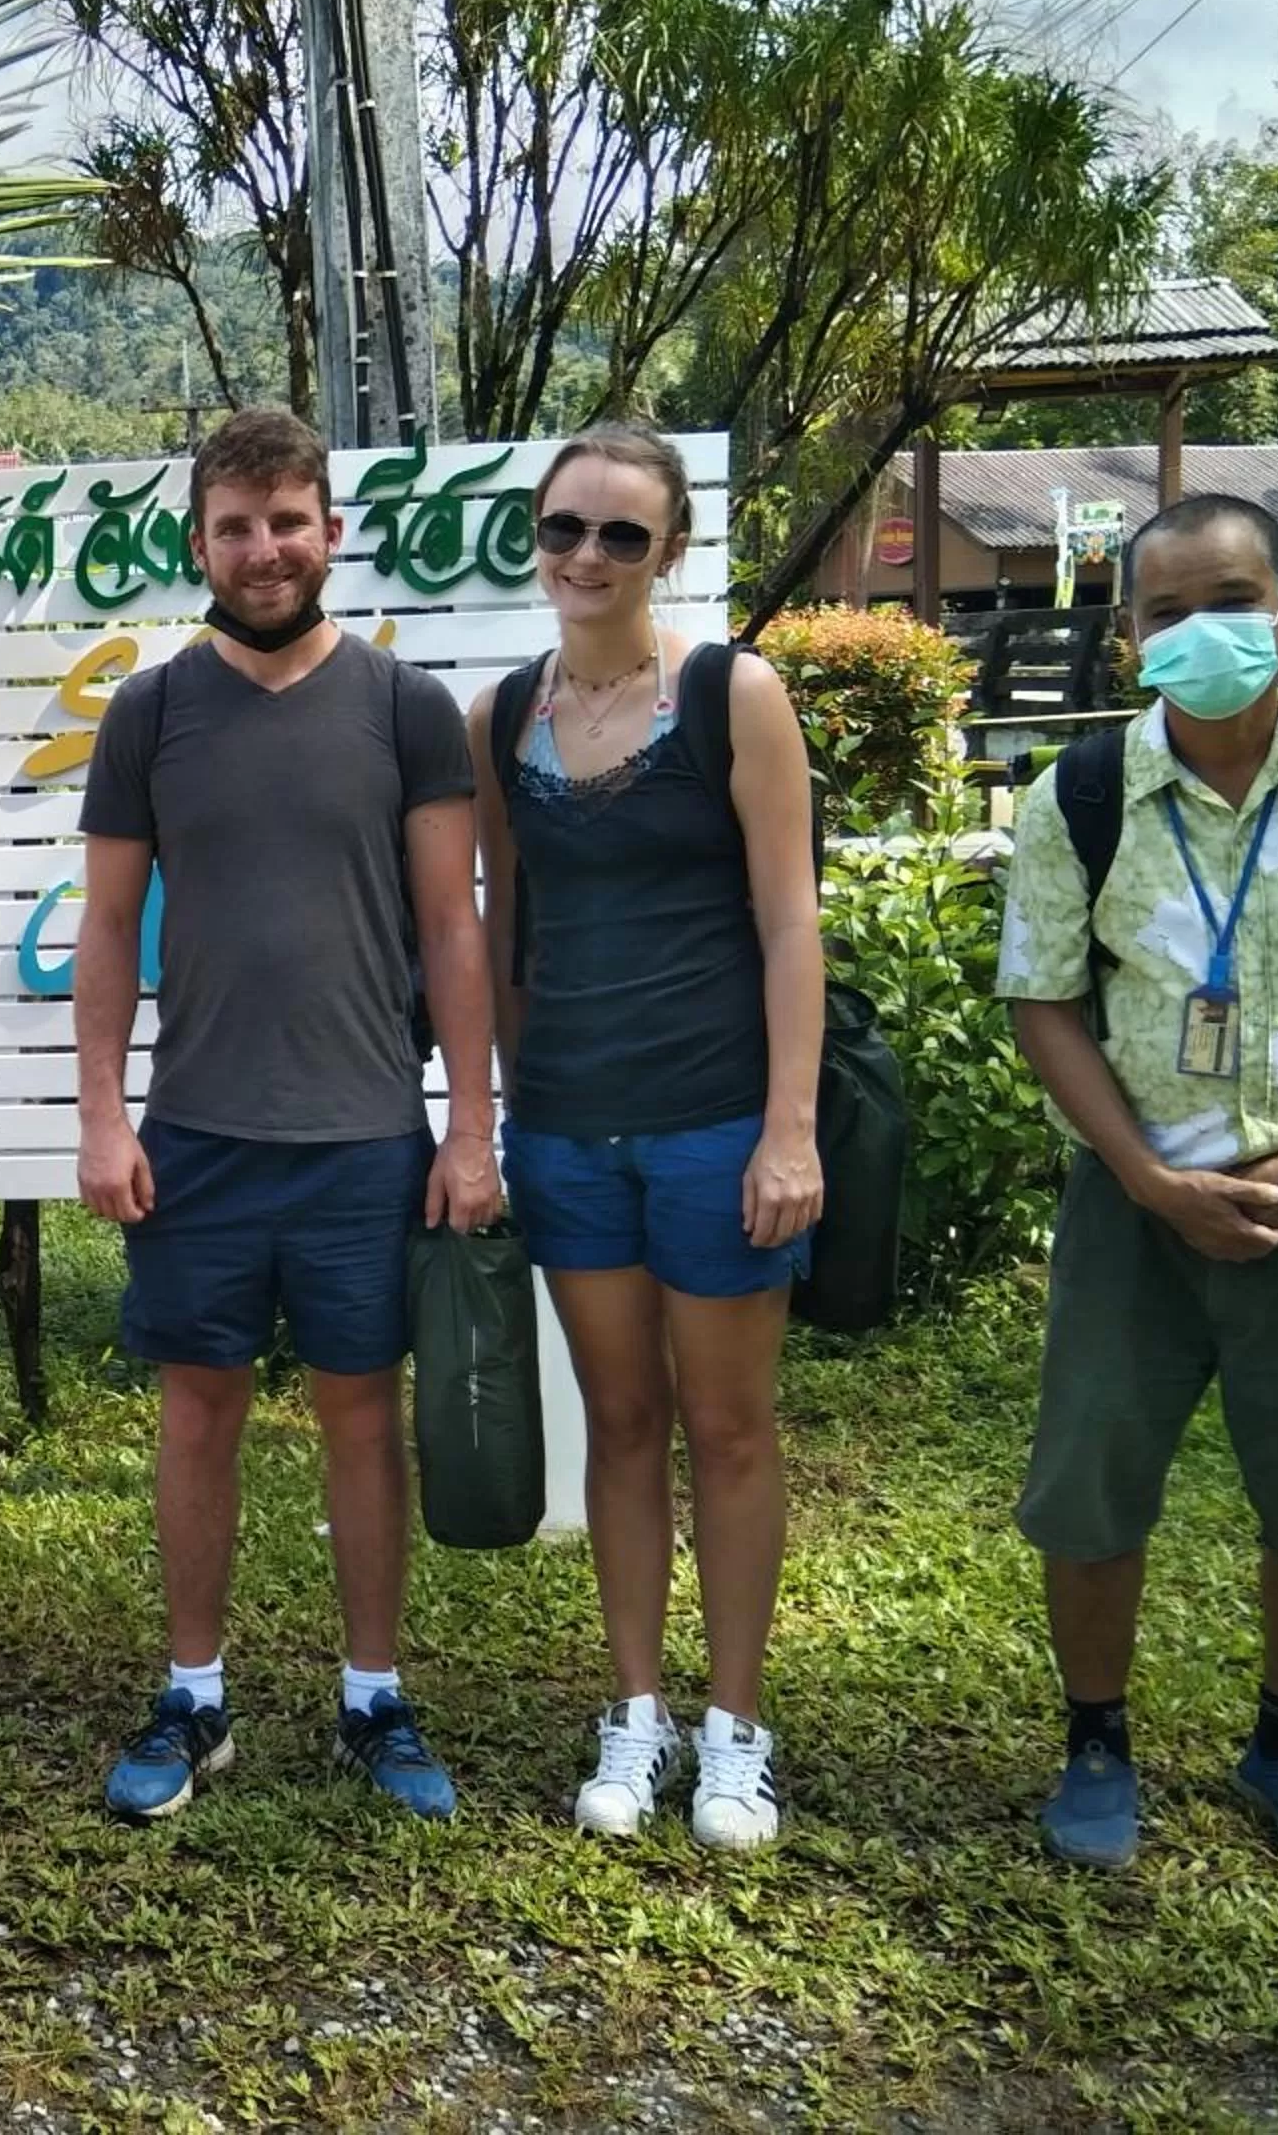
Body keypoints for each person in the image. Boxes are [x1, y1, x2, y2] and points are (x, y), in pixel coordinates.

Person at [76, 405, 503, 1823]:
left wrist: (467, 1127)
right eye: (238, 526)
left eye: (289, 521)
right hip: (197, 1132)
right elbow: (105, 927)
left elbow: (453, 930)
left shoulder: (405, 709)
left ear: (332, 532)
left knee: (360, 1415)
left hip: (365, 1133)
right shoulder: (150, 712)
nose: (266, 549)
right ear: (198, 542)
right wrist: (101, 1116)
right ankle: (192, 1693)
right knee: (197, 1414)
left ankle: (373, 1694)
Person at [997, 493, 1278, 1876]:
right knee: (1091, 1485)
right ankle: (1096, 1740)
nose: (1204, 630)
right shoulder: (1082, 799)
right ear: (1129, 635)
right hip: (1135, 1210)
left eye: (1232, 598)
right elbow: (1046, 1001)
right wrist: (1151, 1179)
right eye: (1167, 610)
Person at [464, 423, 822, 1852]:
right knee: (618, 1422)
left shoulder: (736, 694)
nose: (589, 556)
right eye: (566, 529)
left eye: (622, 533)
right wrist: (483, 1115)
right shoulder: (503, 715)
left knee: (730, 1428)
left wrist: (788, 1128)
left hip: (718, 1120)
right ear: (537, 541)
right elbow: (499, 926)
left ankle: (735, 1728)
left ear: (667, 548)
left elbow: (791, 919)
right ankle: (637, 1709)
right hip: (565, 1128)